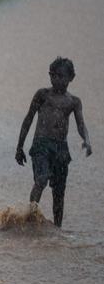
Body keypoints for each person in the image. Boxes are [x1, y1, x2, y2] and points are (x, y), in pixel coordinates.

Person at [15, 57, 92, 227]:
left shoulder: (73, 101)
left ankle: (58, 229)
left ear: (71, 77)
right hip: (41, 144)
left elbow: (81, 124)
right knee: (41, 179)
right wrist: (19, 147)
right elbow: (28, 119)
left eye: (60, 76)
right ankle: (31, 219)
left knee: (59, 192)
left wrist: (87, 140)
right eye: (52, 75)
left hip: (61, 148)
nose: (56, 79)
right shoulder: (42, 95)